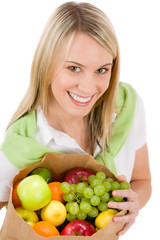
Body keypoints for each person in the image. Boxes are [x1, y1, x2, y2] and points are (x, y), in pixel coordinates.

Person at [0, 1, 151, 237]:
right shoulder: (21, 144)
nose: (88, 87)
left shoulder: (126, 106)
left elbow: (143, 179)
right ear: (46, 64)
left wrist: (134, 204)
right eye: (74, 68)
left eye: (102, 70)